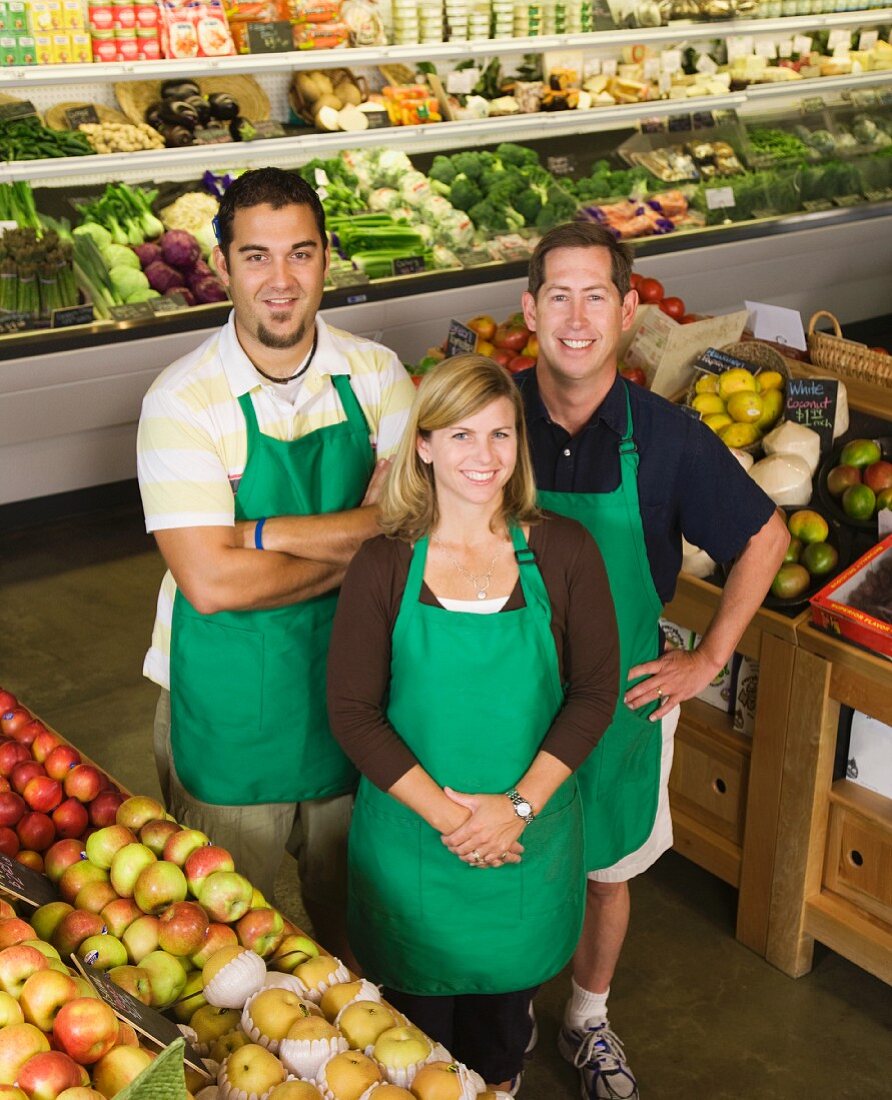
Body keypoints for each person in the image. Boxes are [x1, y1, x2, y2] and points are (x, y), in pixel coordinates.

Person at [517, 222, 789, 1100]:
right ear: (529, 310)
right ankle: (508, 1003)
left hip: (624, 705)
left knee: (607, 872)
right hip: (508, 694)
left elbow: (765, 534)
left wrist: (709, 655)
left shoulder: (666, 437)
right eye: (558, 294)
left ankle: (586, 1017)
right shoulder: (489, 411)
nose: (576, 316)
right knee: (506, 859)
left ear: (629, 313)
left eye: (596, 295)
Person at [136, 167, 416, 956]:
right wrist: (359, 545)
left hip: (355, 694)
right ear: (222, 266)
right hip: (231, 712)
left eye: (300, 253)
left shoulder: (376, 375)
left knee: (357, 930)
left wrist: (258, 533)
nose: (281, 280)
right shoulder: (182, 401)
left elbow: (410, 524)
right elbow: (212, 584)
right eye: (256, 257)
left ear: (328, 257)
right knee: (227, 944)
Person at [326, 354, 620, 1092]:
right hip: (415, 855)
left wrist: (514, 810)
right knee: (406, 1051)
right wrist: (459, 823)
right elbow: (353, 713)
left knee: (498, 1045)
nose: (482, 457)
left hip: (525, 849)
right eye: (460, 436)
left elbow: (591, 694)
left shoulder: (564, 552)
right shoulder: (383, 565)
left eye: (499, 435)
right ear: (422, 446)